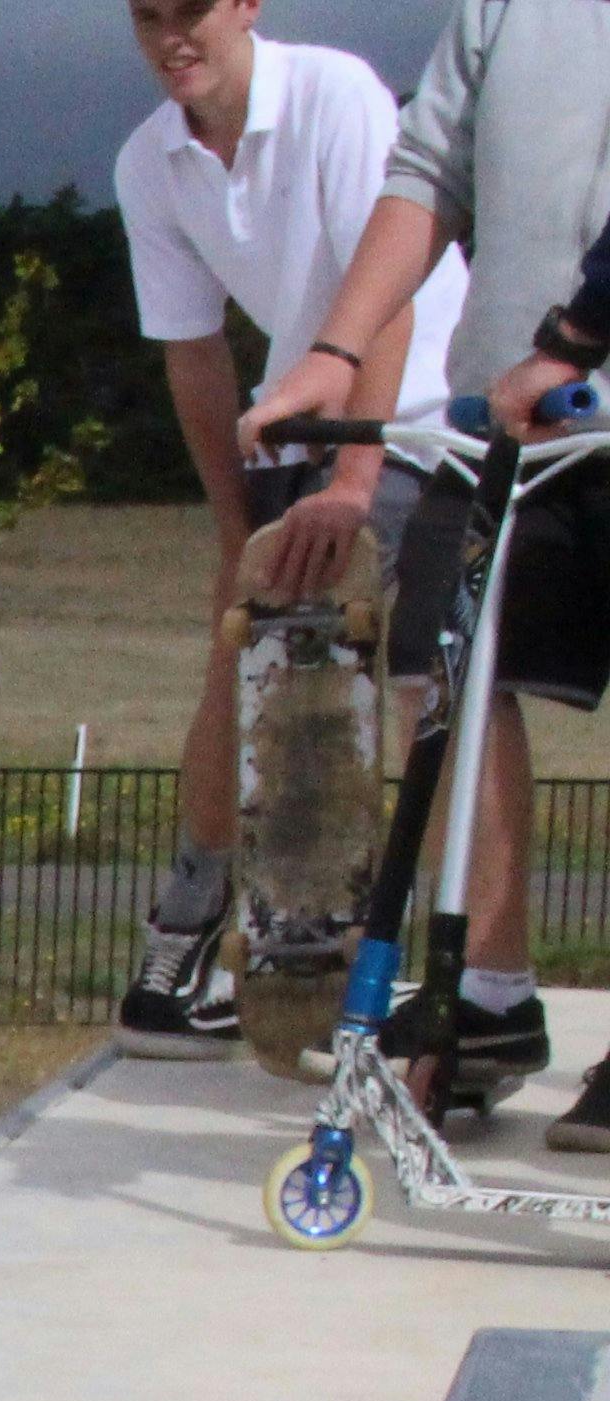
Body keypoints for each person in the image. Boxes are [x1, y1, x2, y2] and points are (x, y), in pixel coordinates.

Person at [247, 0, 610, 1139]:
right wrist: (334, 349)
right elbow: (425, 171)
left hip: (578, 380)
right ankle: (488, 999)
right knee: (443, 674)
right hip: (508, 409)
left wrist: (574, 347)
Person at [108, 0, 458, 1057]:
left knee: (414, 678)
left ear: (246, 6)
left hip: (424, 414)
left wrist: (358, 478)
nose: (172, 38)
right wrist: (232, 534)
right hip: (293, 418)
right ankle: (184, 947)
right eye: (147, 16)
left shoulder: (334, 94)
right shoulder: (151, 162)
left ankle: (427, 977)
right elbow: (194, 353)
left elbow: (384, 293)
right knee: (244, 650)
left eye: (191, 14)